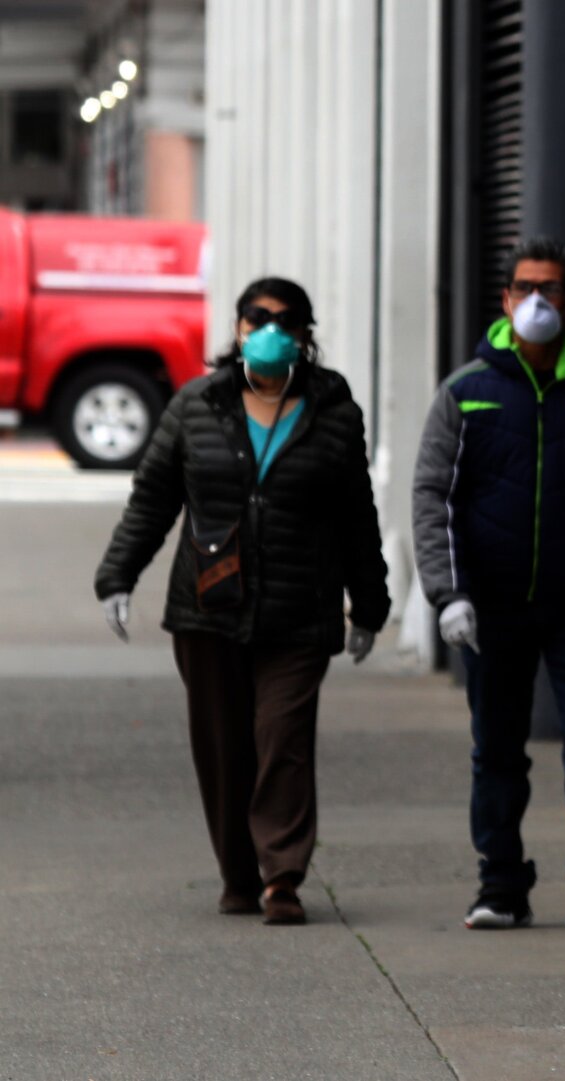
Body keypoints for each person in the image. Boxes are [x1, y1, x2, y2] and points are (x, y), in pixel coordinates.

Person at [95, 278, 390, 926]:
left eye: (284, 319)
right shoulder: (196, 403)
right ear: (236, 328)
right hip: (209, 607)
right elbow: (153, 498)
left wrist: (369, 604)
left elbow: (355, 516)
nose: (269, 328)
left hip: (299, 610)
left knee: (282, 736)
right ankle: (237, 873)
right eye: (257, 317)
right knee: (224, 744)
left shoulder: (334, 410)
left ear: (306, 334)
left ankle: (281, 875)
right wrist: (118, 575)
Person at [412, 237, 565, 935]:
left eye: (550, 289)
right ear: (504, 299)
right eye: (523, 287)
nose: (535, 301)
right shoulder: (467, 394)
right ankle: (500, 883)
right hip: (489, 607)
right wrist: (448, 592)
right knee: (497, 747)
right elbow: (432, 493)